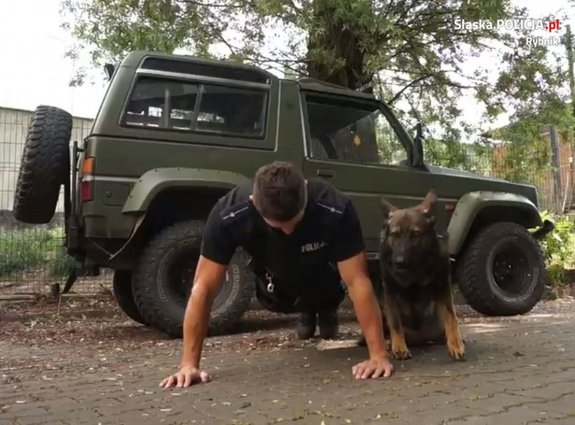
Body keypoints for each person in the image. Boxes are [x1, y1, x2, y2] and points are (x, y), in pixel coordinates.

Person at [160, 161, 393, 388]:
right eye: (277, 225)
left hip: (324, 275)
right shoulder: (229, 214)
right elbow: (203, 288)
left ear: (306, 190)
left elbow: (358, 281)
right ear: (253, 202)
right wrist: (188, 365)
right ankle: (305, 309)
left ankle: (322, 309)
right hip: (274, 282)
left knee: (332, 288)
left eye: (294, 221)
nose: (288, 231)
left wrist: (378, 355)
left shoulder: (335, 208)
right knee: (280, 296)